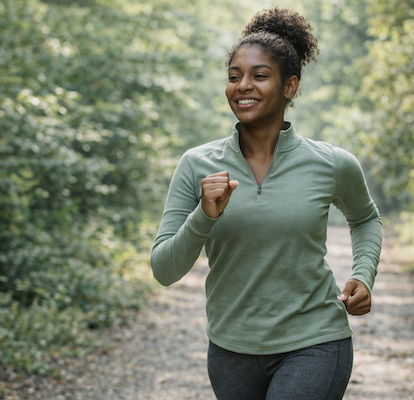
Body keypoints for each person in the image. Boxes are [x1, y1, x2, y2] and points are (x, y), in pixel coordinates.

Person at [150, 6, 382, 400]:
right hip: (230, 349)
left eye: (259, 76)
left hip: (315, 340)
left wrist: (363, 273)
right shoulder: (196, 164)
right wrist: (203, 216)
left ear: (290, 87)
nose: (243, 85)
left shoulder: (331, 162)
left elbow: (365, 219)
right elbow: (164, 269)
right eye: (234, 77)